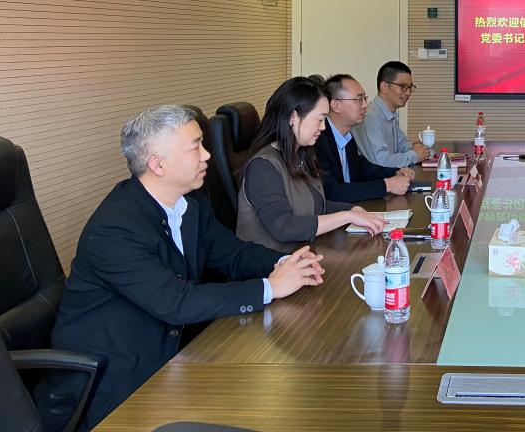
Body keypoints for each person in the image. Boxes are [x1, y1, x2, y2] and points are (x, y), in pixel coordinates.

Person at [41, 105, 325, 430]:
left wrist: (286, 262)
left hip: (176, 353)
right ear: (157, 164)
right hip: (113, 378)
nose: (207, 156)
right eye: (195, 147)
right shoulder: (115, 228)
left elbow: (232, 254)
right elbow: (176, 302)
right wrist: (271, 287)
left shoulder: (190, 202)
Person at [237, 77, 386, 252]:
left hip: (305, 253)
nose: (323, 127)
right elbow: (284, 227)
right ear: (293, 117)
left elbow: (318, 206)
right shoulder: (263, 166)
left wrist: (353, 209)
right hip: (273, 262)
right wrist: (346, 216)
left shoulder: (301, 155)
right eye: (320, 119)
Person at [314, 74, 414, 202]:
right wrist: (387, 185)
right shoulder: (318, 140)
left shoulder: (347, 136)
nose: (365, 105)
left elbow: (362, 169)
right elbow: (331, 191)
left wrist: (395, 172)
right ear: (336, 105)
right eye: (358, 100)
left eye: (364, 98)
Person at [353, 60, 431, 168]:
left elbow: (402, 144)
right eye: (403, 87)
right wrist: (414, 155)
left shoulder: (390, 113)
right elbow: (381, 161)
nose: (408, 92)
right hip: (375, 177)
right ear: (384, 87)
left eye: (410, 87)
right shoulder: (370, 116)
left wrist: (416, 149)